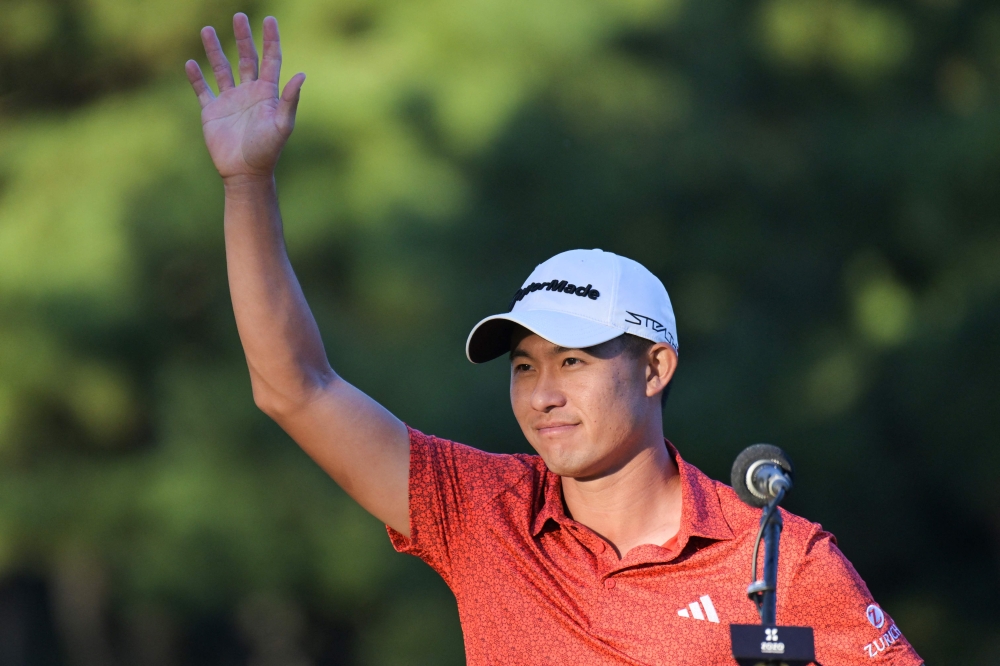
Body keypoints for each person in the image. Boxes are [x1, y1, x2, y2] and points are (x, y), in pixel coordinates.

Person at [185, 14, 924, 665]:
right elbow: (295, 387)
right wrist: (247, 187)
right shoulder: (477, 514)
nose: (542, 394)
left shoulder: (779, 559)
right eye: (524, 366)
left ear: (655, 367)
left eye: (573, 360)